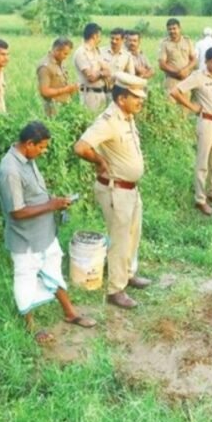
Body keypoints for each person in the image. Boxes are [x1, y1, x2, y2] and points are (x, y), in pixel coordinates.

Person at [0, 121, 97, 346]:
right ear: (29, 144)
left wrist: (54, 203)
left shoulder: (27, 159)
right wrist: (51, 205)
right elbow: (17, 212)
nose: (43, 151)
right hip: (25, 240)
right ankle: (30, 327)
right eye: (41, 147)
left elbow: (34, 195)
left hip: (44, 234)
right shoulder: (9, 170)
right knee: (25, 280)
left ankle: (70, 312)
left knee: (53, 270)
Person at [74, 73, 152, 309]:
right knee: (119, 239)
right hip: (115, 190)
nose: (141, 101)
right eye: (136, 97)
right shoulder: (108, 120)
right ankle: (116, 289)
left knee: (132, 234)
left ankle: (128, 273)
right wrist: (98, 161)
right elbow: (81, 146)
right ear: (121, 99)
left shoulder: (127, 117)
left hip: (130, 190)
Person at [170, 47, 212, 216]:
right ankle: (200, 199)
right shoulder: (198, 76)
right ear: (206, 62)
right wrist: (193, 107)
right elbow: (175, 91)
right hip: (206, 122)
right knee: (203, 162)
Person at [37, 37, 79, 117]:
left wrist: (71, 89)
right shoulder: (45, 67)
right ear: (56, 50)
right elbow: (44, 92)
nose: (66, 57)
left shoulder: (60, 62)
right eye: (65, 53)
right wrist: (65, 90)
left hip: (64, 106)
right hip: (53, 109)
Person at [74, 23, 112, 112]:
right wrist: (102, 73)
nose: (100, 39)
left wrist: (98, 73)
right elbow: (91, 77)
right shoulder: (81, 52)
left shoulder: (96, 51)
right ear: (95, 36)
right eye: (99, 36)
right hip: (90, 95)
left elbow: (108, 71)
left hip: (102, 93)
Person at [158, 18, 197, 92]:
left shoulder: (187, 41)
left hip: (186, 79)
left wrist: (185, 70)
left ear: (179, 29)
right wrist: (178, 73)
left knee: (186, 102)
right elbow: (162, 64)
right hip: (172, 80)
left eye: (174, 28)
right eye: (169, 29)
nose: (172, 31)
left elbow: (194, 59)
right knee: (171, 103)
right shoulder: (164, 44)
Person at [102, 28, 135, 103]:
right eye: (112, 38)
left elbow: (131, 76)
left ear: (123, 40)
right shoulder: (101, 52)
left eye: (117, 39)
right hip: (100, 91)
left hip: (116, 92)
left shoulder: (127, 56)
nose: (114, 41)